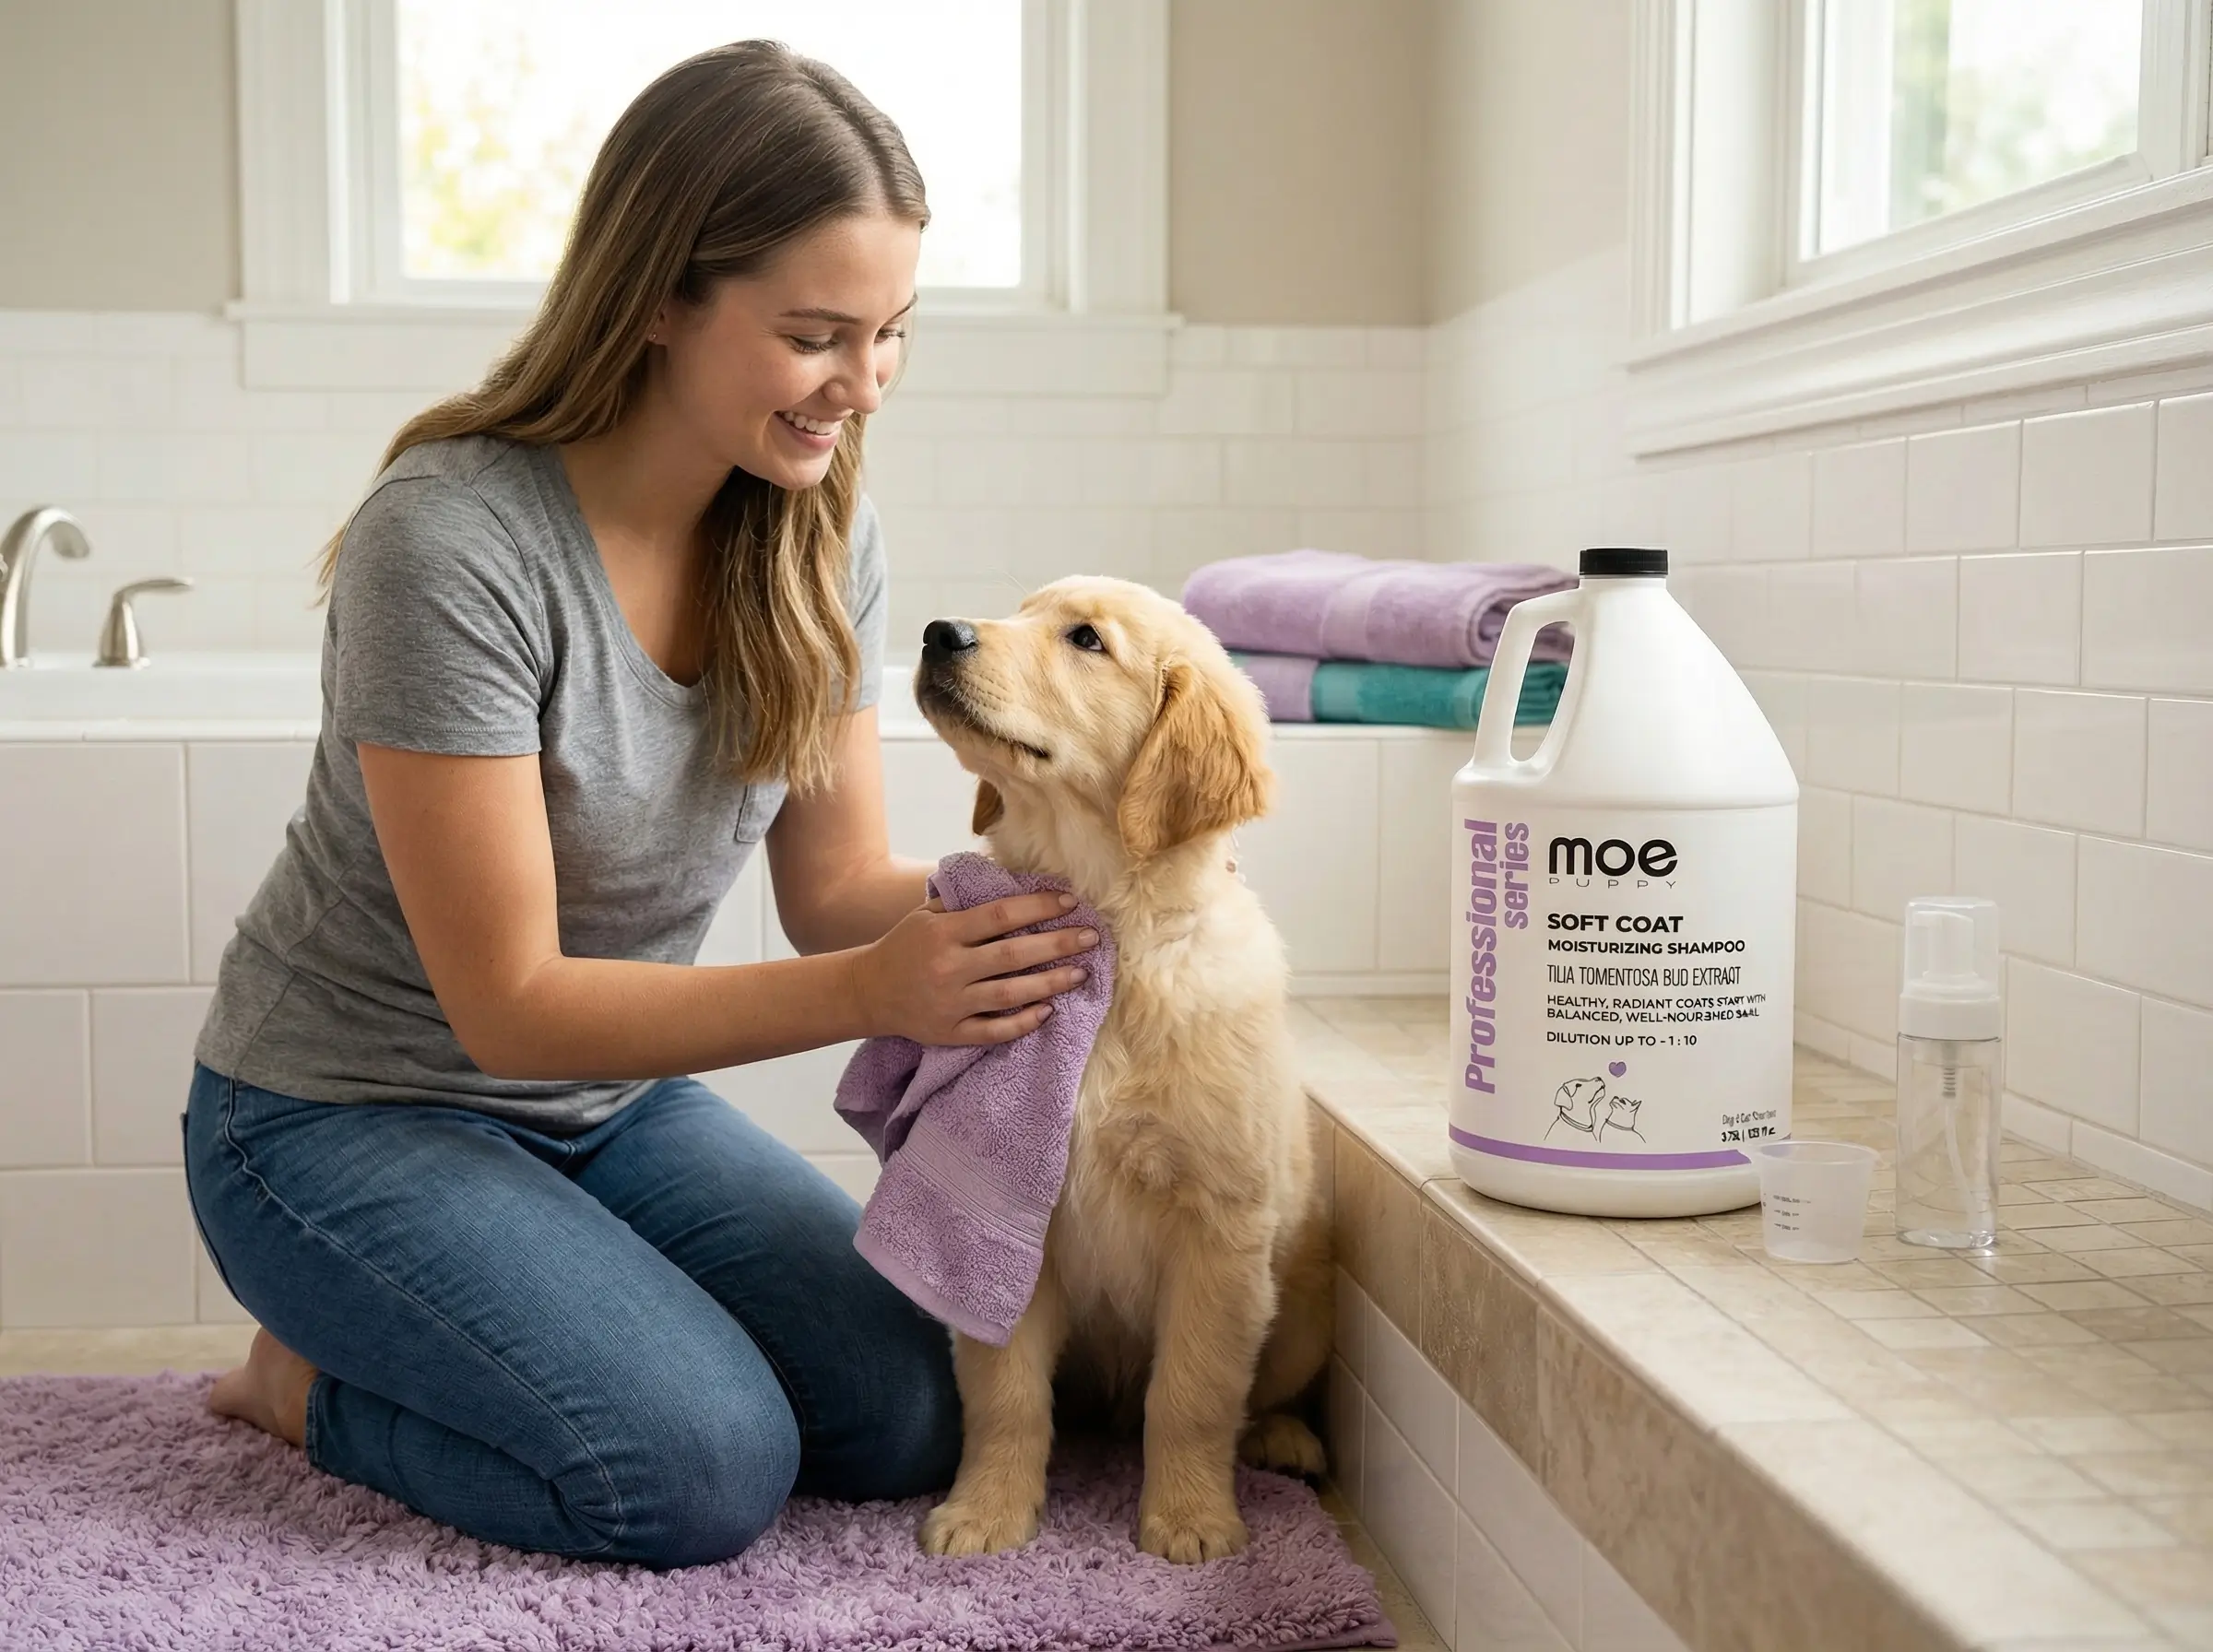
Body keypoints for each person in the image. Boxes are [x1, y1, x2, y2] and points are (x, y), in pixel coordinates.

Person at [181, 41, 1098, 1570]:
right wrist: (874, 992)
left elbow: (840, 884)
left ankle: (531, 1298)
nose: (861, 388)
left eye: (891, 335)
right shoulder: (456, 540)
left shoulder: (811, 531)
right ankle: (307, 1385)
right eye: (816, 335)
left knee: (908, 1415)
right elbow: (513, 1008)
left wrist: (1060, 907)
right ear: (666, 294)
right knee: (690, 1470)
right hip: (341, 1120)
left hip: (602, 1110)